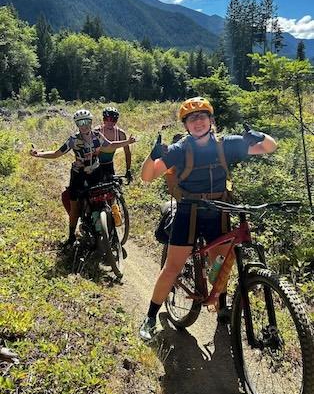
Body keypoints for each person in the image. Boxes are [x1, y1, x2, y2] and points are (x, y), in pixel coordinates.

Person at [139, 97, 277, 340]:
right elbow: (148, 176)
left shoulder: (227, 144)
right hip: (188, 212)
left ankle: (219, 303)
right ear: (186, 127)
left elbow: (269, 147)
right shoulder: (180, 149)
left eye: (202, 116)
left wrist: (260, 136)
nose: (198, 121)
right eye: (192, 119)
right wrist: (152, 156)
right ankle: (150, 317)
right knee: (172, 268)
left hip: (218, 210)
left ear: (211, 120)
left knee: (221, 263)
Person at [30, 109, 136, 246]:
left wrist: (127, 142)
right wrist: (38, 154)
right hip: (78, 175)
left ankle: (106, 228)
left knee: (103, 200)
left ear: (91, 122)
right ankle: (71, 237)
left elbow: (110, 146)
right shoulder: (73, 140)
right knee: (75, 208)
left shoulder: (97, 136)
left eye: (87, 122)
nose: (84, 125)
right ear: (77, 124)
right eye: (80, 123)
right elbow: (56, 153)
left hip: (96, 173)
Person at [97, 107, 132, 182]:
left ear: (116, 121)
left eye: (113, 120)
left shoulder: (120, 134)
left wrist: (128, 170)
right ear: (103, 120)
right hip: (95, 165)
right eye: (107, 119)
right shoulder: (97, 131)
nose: (110, 122)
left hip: (109, 164)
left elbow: (127, 153)